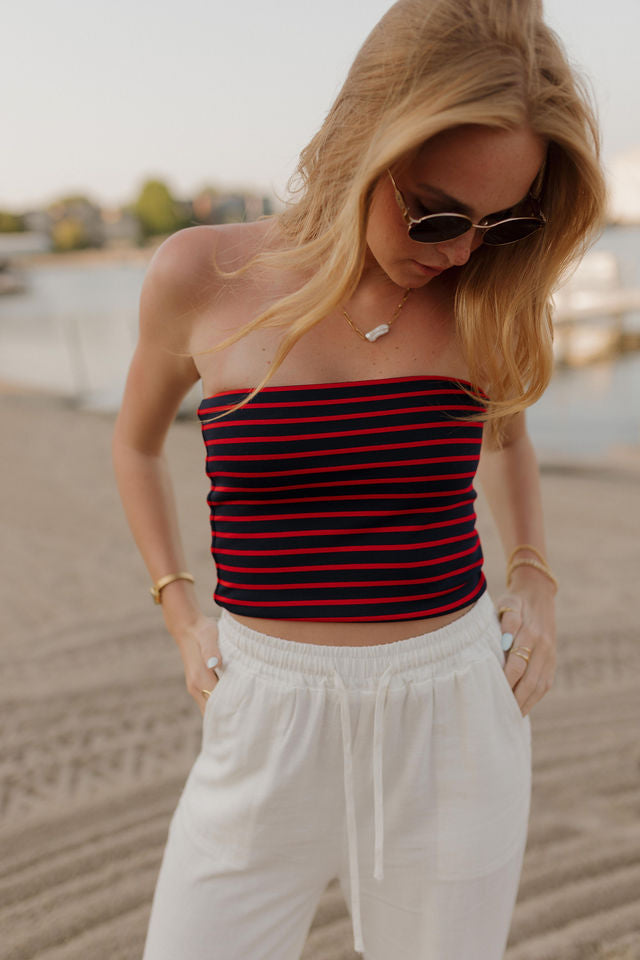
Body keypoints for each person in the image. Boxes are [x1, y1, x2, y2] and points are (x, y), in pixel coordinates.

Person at [112, 0, 605, 956]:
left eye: (502, 223)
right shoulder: (202, 275)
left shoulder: (485, 296)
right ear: (363, 139)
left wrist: (536, 577)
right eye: (437, 214)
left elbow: (506, 441)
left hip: (453, 715)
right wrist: (180, 611)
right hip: (263, 708)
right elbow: (134, 446)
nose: (460, 251)